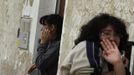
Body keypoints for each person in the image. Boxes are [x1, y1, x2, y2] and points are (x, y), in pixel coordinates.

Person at [58, 13, 130, 75]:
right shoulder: (87, 47)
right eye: (107, 33)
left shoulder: (112, 55)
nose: (113, 38)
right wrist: (117, 66)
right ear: (95, 34)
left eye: (117, 34)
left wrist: (118, 64)